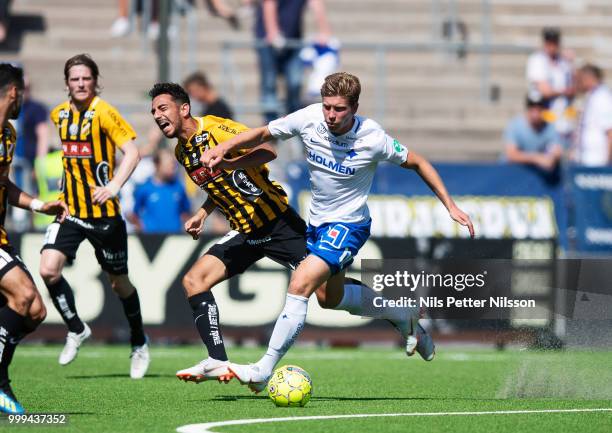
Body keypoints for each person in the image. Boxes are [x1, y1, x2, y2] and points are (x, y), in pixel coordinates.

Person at [201, 72, 475, 391]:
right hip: (316, 225)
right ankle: (404, 315)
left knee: (301, 281)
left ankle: (263, 368)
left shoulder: (373, 138)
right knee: (330, 299)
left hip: (348, 225)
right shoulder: (309, 119)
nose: (331, 115)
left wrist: (450, 206)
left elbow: (418, 162)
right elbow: (262, 132)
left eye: (339, 109)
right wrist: (224, 150)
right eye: (327, 106)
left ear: (355, 107)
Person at [149, 82, 434, 383]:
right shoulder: (183, 152)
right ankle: (217, 360)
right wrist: (203, 213)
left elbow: (266, 151)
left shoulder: (217, 130)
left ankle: (400, 314)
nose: (157, 115)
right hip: (245, 231)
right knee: (194, 280)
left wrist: (231, 160)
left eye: (162, 108)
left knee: (328, 296)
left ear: (184, 108)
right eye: (153, 110)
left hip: (277, 224)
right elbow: (218, 186)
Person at [39, 54, 151, 379]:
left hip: (104, 217)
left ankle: (139, 341)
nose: (81, 84)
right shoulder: (59, 115)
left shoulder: (104, 113)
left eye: (86, 78)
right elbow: (71, 161)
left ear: (95, 80)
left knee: (119, 284)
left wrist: (115, 185)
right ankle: (76, 328)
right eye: (75, 79)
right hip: (70, 211)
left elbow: (132, 151)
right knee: (48, 269)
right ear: (67, 83)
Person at [0, 63, 68, 415]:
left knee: (36, 311)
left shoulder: (8, 136)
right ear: (14, 92)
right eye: (21, 94)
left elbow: (6, 186)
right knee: (24, 294)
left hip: (1, 236)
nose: (22, 100)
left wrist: (41, 204)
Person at [254, 0, 332, 123]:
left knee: (295, 82)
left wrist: (324, 31)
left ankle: (294, 123)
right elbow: (269, 4)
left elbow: (316, 4)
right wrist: (273, 32)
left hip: (294, 39)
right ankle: (270, 127)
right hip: (267, 39)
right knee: (269, 83)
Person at [526, 27, 576, 145]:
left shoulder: (563, 61)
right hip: (545, 121)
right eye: (549, 43)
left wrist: (572, 63)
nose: (552, 46)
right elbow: (545, 91)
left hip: (564, 120)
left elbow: (575, 87)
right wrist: (564, 92)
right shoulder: (537, 60)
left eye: (555, 43)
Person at [129, 147, 191, 233]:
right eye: (168, 164)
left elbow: (186, 212)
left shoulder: (179, 187)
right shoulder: (144, 188)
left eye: (173, 164)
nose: (172, 167)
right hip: (152, 239)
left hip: (174, 239)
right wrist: (142, 228)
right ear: (157, 165)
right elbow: (134, 215)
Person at [503, 94, 563, 172]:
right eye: (532, 109)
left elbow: (557, 150)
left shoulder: (550, 126)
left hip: (536, 176)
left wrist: (552, 157)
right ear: (527, 109)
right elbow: (511, 154)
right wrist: (537, 158)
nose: (536, 113)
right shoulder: (515, 125)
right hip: (512, 173)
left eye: (539, 109)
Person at [573, 64, 612, 166]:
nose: (577, 83)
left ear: (588, 78)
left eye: (580, 79)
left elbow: (610, 131)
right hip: (585, 157)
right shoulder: (591, 96)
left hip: (598, 160)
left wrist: (607, 162)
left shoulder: (603, 98)